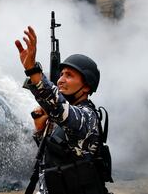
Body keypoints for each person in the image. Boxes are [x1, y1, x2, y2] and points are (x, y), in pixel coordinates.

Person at [15, 26, 112, 194]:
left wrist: (32, 70)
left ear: (86, 87)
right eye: (61, 74)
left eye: (69, 75)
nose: (60, 80)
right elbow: (55, 158)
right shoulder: (62, 118)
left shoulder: (86, 117)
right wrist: (40, 131)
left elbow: (57, 106)